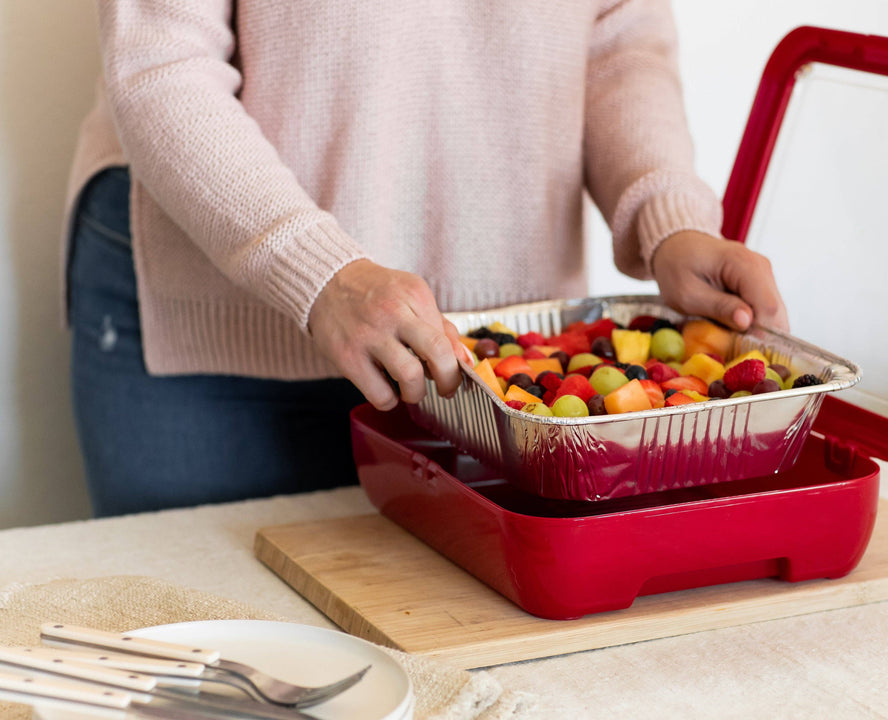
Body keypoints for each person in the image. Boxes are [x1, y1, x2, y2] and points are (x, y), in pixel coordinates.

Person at [65, 0, 788, 517]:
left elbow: (617, 32)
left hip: (492, 364)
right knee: (190, 662)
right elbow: (161, 62)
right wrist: (316, 271)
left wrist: (667, 218)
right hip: (219, 310)